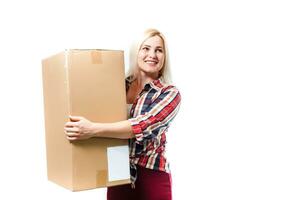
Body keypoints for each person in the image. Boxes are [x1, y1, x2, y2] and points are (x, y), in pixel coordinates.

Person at [64, 28, 181, 200]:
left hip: (151, 175)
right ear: (137, 52)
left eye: (159, 50)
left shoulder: (170, 94)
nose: (152, 55)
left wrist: (91, 129)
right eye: (146, 48)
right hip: (118, 172)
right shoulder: (117, 86)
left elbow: (142, 125)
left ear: (165, 57)